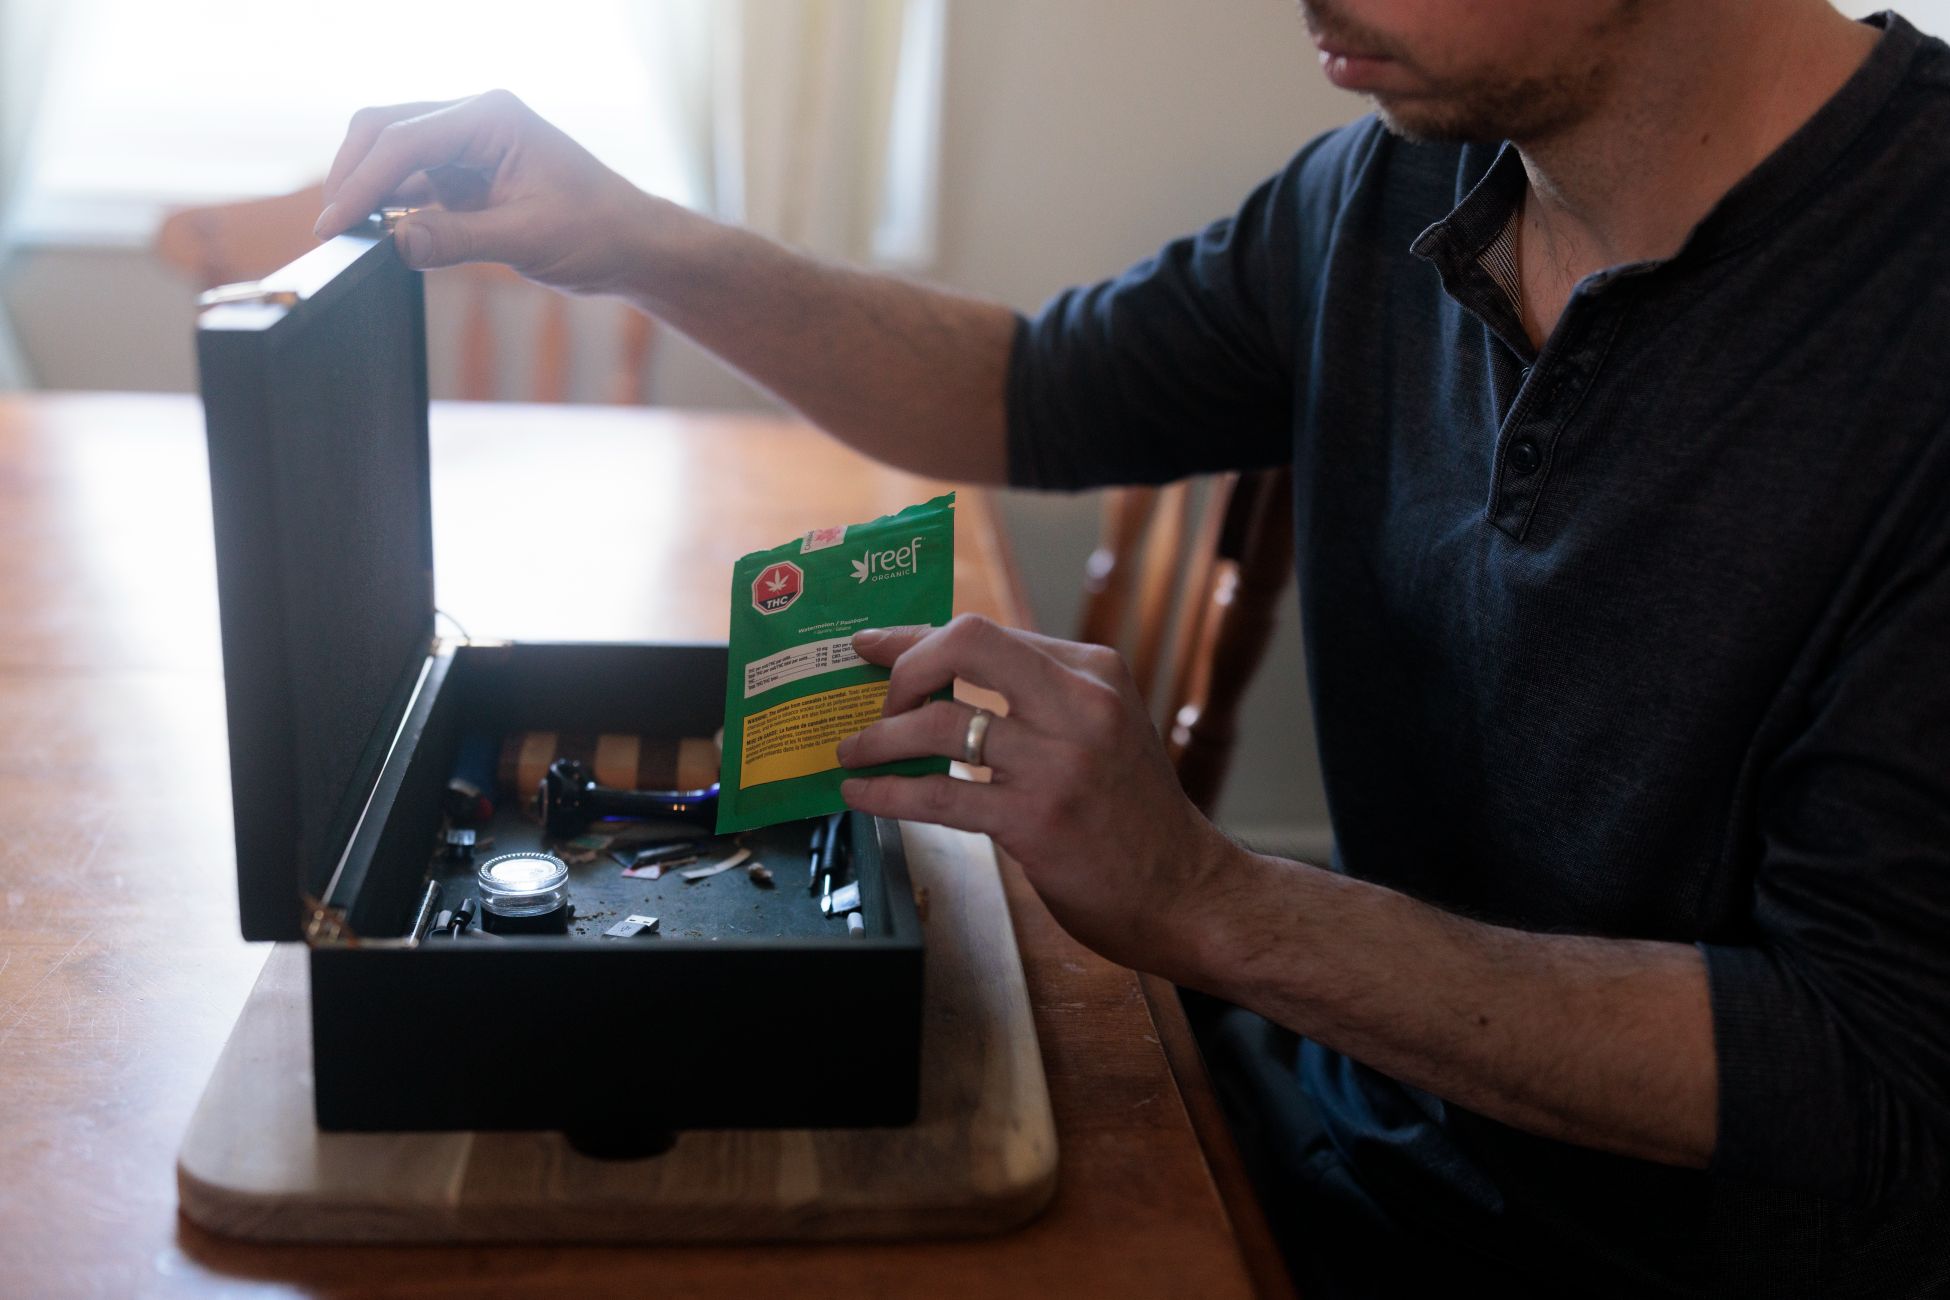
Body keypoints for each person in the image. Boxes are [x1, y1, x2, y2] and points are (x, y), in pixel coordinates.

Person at [316, 2, 1950, 1293]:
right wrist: (634, 238)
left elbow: (1872, 1076)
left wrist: (1206, 901)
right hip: (1340, 1110)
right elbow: (1033, 390)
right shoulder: (1392, 183)